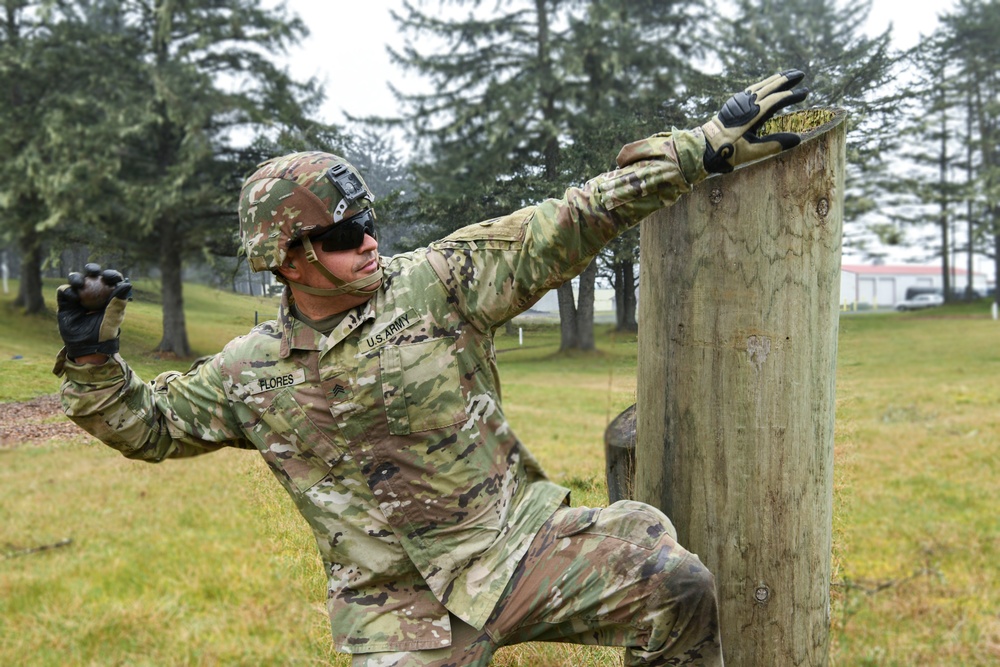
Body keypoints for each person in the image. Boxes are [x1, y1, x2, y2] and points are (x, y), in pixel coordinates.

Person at [55, 71, 809, 666]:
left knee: (674, 585)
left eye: (370, 221)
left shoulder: (438, 280)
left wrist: (696, 149)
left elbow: (571, 219)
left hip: (516, 550)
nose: (370, 242)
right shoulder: (247, 372)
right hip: (393, 612)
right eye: (346, 233)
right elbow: (147, 426)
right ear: (286, 258)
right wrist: (92, 358)